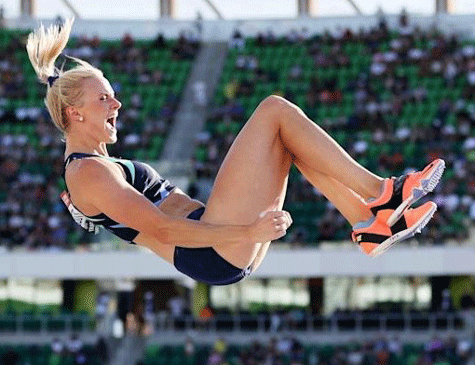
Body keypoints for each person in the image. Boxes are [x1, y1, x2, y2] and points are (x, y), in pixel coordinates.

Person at [26, 19, 445, 286]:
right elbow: (163, 230)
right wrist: (248, 233)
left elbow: (116, 213)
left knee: (288, 141)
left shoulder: (94, 170)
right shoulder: (88, 173)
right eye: (105, 99)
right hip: (211, 246)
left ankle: (366, 223)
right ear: (73, 113)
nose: (117, 105)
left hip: (216, 243)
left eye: (113, 97)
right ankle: (383, 192)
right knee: (274, 111)